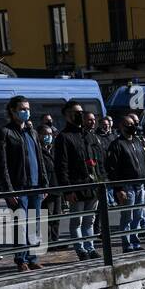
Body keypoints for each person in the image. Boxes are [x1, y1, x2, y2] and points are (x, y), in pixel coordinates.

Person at [0, 95, 49, 270]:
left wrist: (44, 182)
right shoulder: (5, 132)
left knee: (35, 223)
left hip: (35, 185)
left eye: (28, 109)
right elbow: (1, 164)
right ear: (13, 111)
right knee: (20, 226)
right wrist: (8, 190)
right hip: (18, 187)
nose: (26, 112)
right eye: (22, 109)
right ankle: (21, 260)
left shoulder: (31, 132)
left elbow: (40, 159)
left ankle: (32, 257)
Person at [53, 101, 102, 260]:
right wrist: (68, 190)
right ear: (67, 115)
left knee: (90, 220)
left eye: (81, 112)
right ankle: (81, 250)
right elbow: (62, 165)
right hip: (76, 185)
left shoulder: (88, 135)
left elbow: (97, 159)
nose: (80, 115)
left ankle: (90, 247)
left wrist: (101, 180)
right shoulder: (63, 137)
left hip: (92, 185)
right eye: (76, 112)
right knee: (77, 221)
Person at [105, 114, 145, 252]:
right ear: (121, 127)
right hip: (127, 186)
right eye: (129, 125)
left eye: (133, 124)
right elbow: (112, 168)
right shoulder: (117, 144)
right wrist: (118, 188)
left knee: (138, 215)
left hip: (140, 184)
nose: (133, 127)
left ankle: (135, 242)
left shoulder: (137, 141)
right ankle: (126, 244)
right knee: (127, 217)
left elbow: (144, 159)